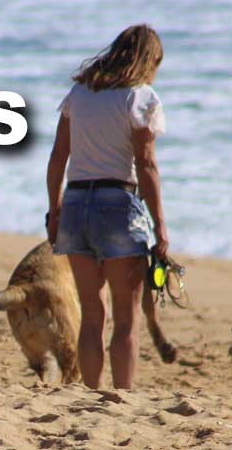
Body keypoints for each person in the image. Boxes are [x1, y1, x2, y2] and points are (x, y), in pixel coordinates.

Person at [46, 24, 170, 390]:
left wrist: (54, 212)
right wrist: (160, 226)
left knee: (91, 314)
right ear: (148, 61)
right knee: (126, 319)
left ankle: (91, 394)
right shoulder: (140, 98)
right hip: (117, 204)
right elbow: (146, 165)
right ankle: (123, 397)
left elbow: (57, 158)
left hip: (76, 203)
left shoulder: (79, 94)